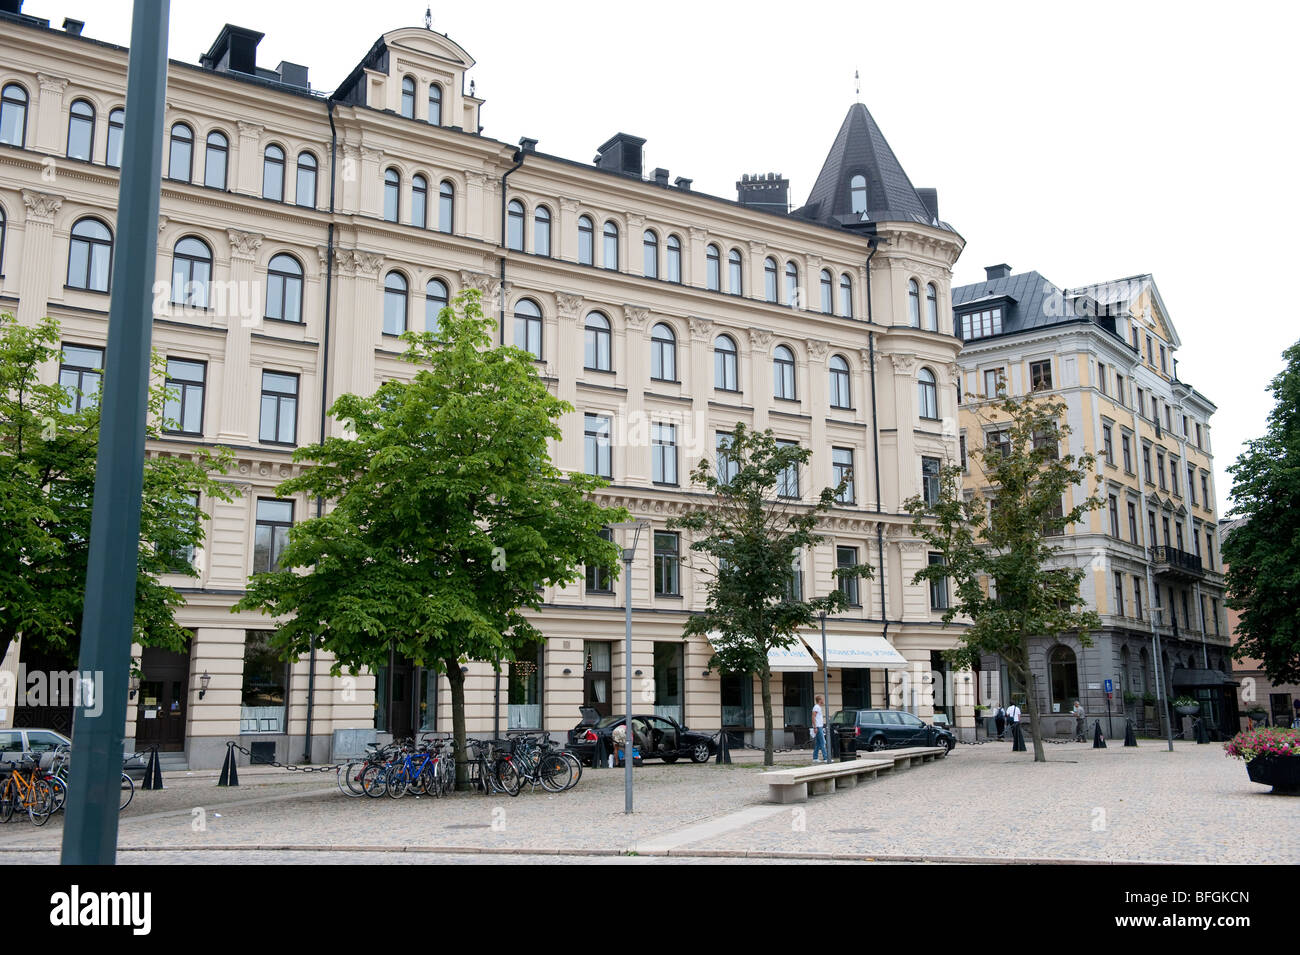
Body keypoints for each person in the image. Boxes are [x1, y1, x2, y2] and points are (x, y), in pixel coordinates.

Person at [811, 695, 827, 762]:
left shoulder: (818, 707)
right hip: (818, 727)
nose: (823, 700)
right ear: (820, 700)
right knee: (823, 742)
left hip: (819, 726)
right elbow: (813, 717)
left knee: (818, 743)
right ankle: (826, 758)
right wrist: (815, 727)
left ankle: (815, 758)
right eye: (822, 699)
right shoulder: (816, 707)